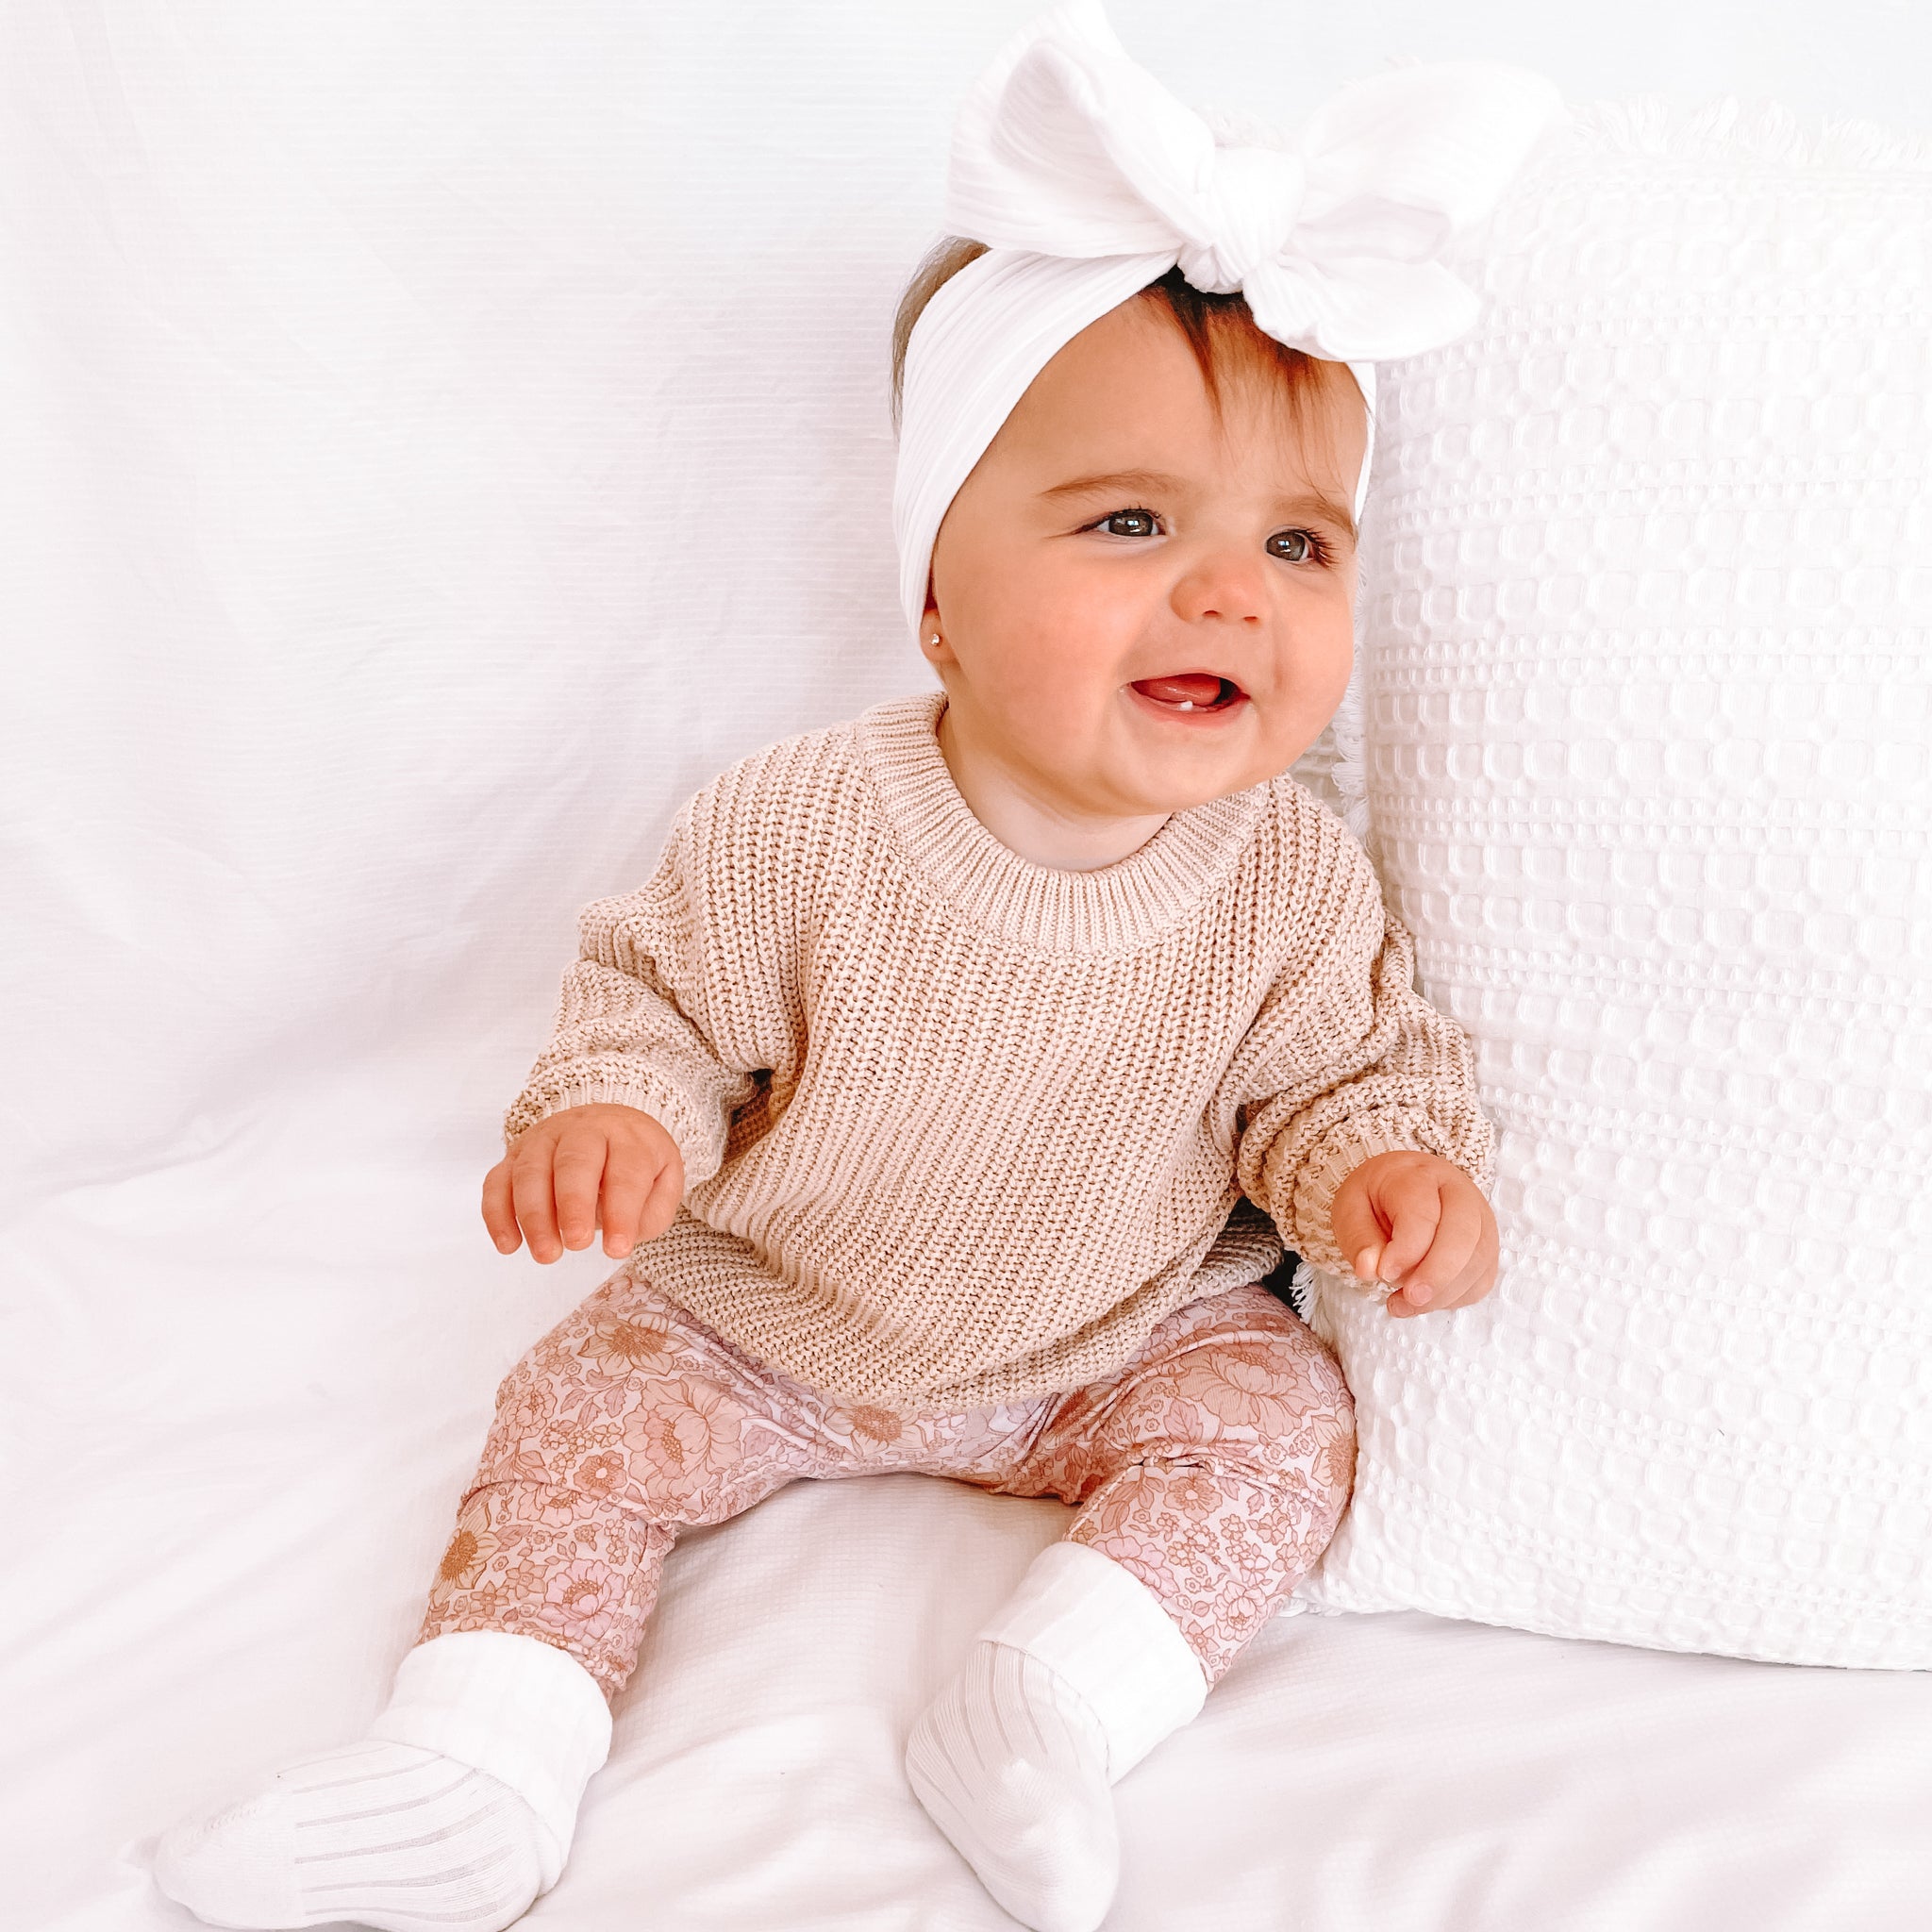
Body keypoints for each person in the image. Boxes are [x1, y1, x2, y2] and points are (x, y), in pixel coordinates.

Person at [151, 7, 1557, 1930]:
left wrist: (1376, 1171)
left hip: (1120, 1339)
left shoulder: (1291, 874)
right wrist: (618, 1117)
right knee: (573, 1421)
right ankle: (478, 1755)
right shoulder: (801, 823)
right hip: (773, 1323)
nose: (1230, 590)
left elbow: (1331, 1075)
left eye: (1299, 544)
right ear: (937, 598)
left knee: (1279, 1431)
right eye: (1130, 521)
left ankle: (1049, 1705)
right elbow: (654, 1005)